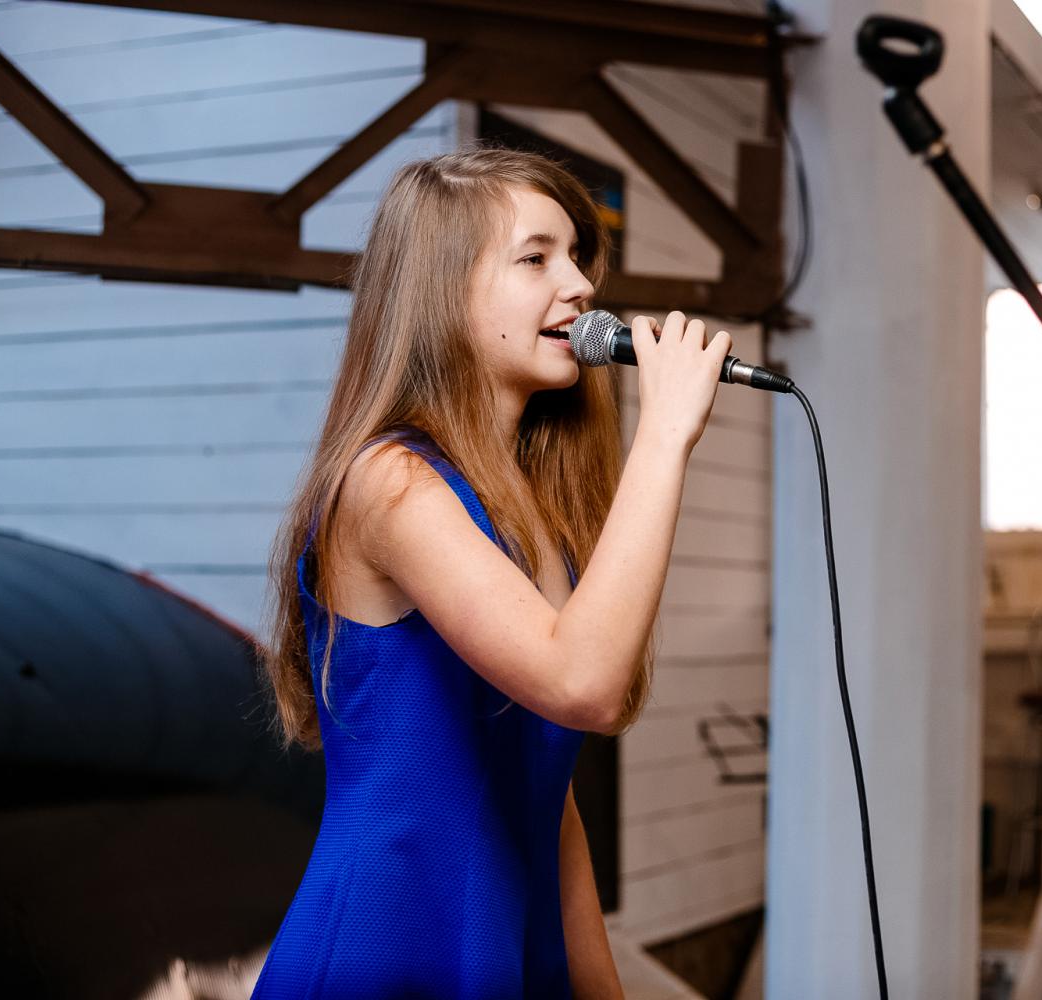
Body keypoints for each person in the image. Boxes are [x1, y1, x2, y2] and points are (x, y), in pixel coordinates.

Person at [251, 147, 734, 999]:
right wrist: (665, 435)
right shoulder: (390, 482)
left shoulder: (533, 507)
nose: (580, 285)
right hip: (386, 949)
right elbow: (581, 683)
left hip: (508, 948)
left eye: (577, 256)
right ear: (444, 292)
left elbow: (548, 800)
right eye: (536, 258)